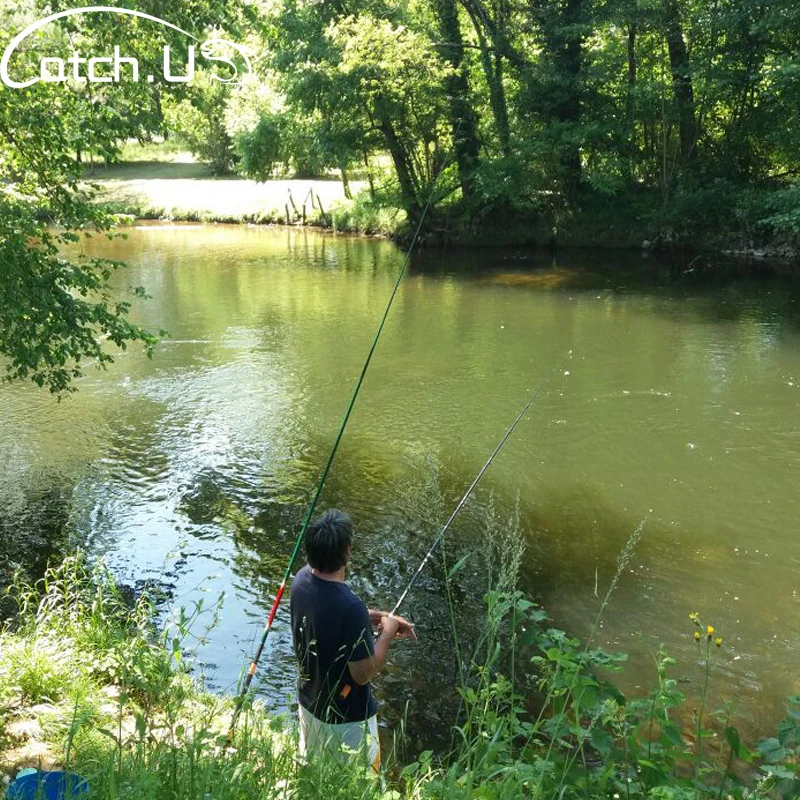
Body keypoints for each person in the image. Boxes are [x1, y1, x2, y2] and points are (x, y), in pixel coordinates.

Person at [289, 508, 416, 772]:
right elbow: (363, 673)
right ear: (348, 550)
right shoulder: (350, 607)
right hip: (345, 719)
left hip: (309, 701)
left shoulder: (301, 580)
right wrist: (387, 632)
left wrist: (378, 617)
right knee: (361, 779)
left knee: (315, 769)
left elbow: (331, 614)